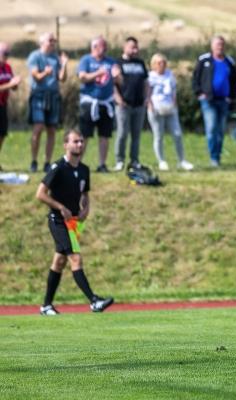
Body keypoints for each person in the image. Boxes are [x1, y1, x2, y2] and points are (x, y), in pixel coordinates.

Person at [36, 129, 114, 315]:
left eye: (81, 141)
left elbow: (84, 194)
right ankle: (94, 301)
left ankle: (46, 306)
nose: (79, 144)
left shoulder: (84, 170)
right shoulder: (58, 168)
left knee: (59, 261)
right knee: (75, 258)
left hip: (72, 223)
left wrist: (86, 208)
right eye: (75, 141)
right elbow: (40, 194)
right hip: (58, 221)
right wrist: (60, 207)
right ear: (66, 145)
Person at [192, 35, 236, 167]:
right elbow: (195, 78)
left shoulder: (229, 61)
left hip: (224, 100)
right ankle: (213, 157)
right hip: (208, 100)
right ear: (212, 46)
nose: (220, 47)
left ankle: (217, 156)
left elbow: (235, 80)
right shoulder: (204, 60)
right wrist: (199, 93)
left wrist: (231, 96)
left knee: (221, 130)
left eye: (222, 44)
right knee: (211, 128)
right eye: (217, 44)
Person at [78, 36, 121, 172]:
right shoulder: (86, 60)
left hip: (106, 103)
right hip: (89, 103)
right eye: (103, 46)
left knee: (105, 135)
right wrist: (98, 73)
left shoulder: (111, 61)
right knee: (84, 135)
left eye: (106, 46)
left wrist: (117, 76)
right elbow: (82, 77)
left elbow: (119, 81)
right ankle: (77, 164)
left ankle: (102, 164)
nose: (105, 48)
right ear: (94, 47)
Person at [27, 32, 68, 172]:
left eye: (54, 41)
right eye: (50, 40)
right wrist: (45, 72)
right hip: (38, 95)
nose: (53, 43)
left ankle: (47, 162)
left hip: (53, 96)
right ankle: (34, 161)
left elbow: (62, 78)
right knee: (38, 128)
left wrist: (64, 64)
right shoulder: (35, 56)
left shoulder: (55, 58)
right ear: (42, 42)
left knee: (51, 130)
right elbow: (36, 76)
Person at [147, 53, 193, 171]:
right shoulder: (150, 77)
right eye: (159, 63)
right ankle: (161, 161)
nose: (162, 65)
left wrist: (174, 103)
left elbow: (173, 91)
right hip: (156, 108)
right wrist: (150, 105)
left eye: (164, 62)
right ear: (154, 64)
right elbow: (147, 92)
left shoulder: (169, 75)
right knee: (159, 135)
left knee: (177, 134)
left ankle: (182, 160)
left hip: (170, 108)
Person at [113, 36, 149, 172]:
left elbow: (145, 82)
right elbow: (113, 83)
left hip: (139, 104)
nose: (135, 50)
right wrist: (118, 98)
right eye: (132, 47)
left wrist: (146, 98)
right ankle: (120, 160)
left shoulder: (140, 63)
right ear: (125, 47)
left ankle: (134, 160)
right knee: (122, 133)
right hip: (123, 104)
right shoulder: (117, 63)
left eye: (136, 47)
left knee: (136, 135)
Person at [0, 42, 21, 170]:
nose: (7, 56)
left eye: (8, 53)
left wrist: (15, 84)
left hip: (3, 104)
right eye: (5, 53)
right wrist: (10, 84)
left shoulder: (8, 67)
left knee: (2, 133)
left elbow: (13, 86)